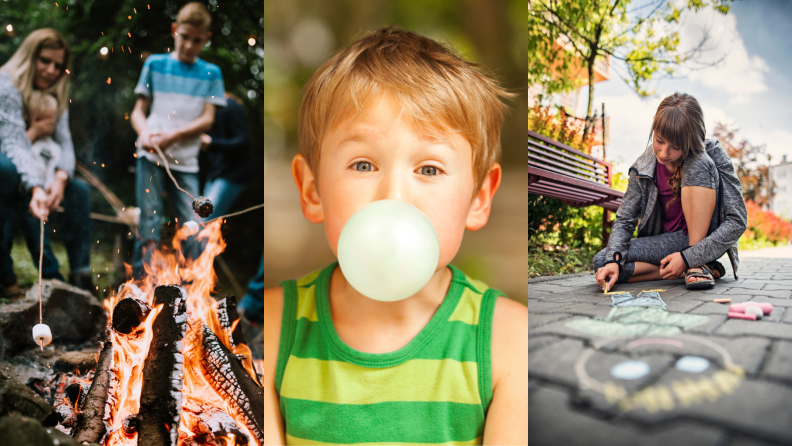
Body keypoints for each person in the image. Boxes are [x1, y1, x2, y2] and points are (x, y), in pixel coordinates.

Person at [263, 27, 528, 445]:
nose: (394, 197)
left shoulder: (510, 343)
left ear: (479, 197)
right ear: (312, 190)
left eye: (429, 169)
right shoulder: (271, 329)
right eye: (364, 165)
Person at [594, 92, 748, 292]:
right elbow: (625, 220)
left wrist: (689, 257)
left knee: (697, 162)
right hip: (669, 242)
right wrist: (613, 260)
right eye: (659, 140)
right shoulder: (642, 167)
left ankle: (696, 266)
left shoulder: (711, 156)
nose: (664, 153)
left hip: (703, 240)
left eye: (675, 147)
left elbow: (738, 220)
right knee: (605, 262)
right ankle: (690, 269)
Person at [130, 2, 225, 278]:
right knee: (148, 222)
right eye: (184, 37)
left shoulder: (211, 73)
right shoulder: (154, 64)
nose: (188, 45)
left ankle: (191, 286)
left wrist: (175, 137)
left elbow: (208, 119)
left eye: (197, 40)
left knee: (194, 225)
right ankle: (139, 287)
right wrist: (143, 133)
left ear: (206, 39)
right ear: (174, 30)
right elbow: (138, 111)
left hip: (186, 162)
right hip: (150, 156)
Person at [0, 28, 93, 298]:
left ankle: (81, 275)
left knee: (81, 191)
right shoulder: (6, 85)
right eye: (45, 61)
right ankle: (6, 273)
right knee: (8, 174)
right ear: (30, 57)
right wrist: (37, 187)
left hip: (40, 170)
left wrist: (61, 178)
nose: (51, 70)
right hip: (10, 169)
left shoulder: (56, 93)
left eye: (58, 65)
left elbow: (65, 143)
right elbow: (14, 144)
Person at [199, 91, 251, 220]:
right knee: (201, 219)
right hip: (215, 173)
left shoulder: (231, 106)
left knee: (205, 219)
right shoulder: (209, 112)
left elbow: (242, 140)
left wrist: (212, 143)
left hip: (233, 173)